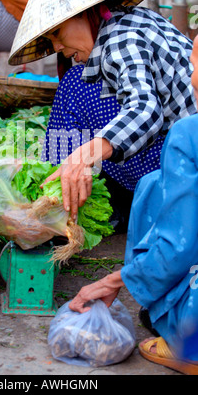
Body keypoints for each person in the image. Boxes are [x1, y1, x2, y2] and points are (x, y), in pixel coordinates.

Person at [8, 0, 197, 229]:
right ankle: (63, 187)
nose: (59, 49)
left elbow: (144, 109)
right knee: (78, 80)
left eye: (57, 36)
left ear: (84, 15)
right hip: (179, 152)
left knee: (75, 84)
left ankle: (63, 194)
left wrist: (82, 156)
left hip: (184, 164)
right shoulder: (130, 20)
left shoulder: (122, 40)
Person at [67, 35, 198, 375]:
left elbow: (179, 246)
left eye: (194, 64)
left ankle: (190, 343)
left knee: (153, 189)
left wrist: (111, 282)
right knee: (156, 184)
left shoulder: (189, 133)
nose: (188, 76)